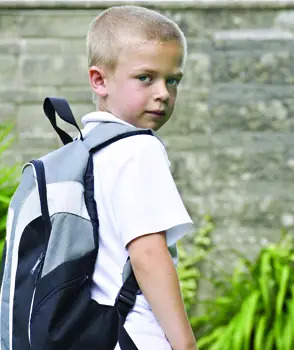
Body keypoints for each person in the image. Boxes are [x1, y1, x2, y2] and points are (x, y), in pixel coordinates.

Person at [83, 5, 197, 350]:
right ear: (100, 80)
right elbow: (147, 253)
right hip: (138, 335)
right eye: (146, 78)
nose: (163, 92)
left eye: (172, 80)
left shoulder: (85, 148)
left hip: (97, 334)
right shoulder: (138, 149)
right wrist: (185, 344)